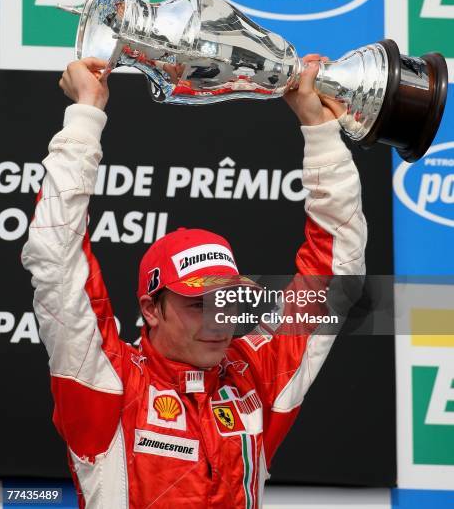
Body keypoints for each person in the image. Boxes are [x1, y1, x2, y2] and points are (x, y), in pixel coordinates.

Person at [22, 55, 367, 508]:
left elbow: (335, 274)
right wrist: (87, 114)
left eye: (226, 300)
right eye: (196, 303)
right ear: (151, 308)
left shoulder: (255, 377)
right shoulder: (106, 380)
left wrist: (319, 133)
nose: (218, 321)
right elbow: (55, 255)